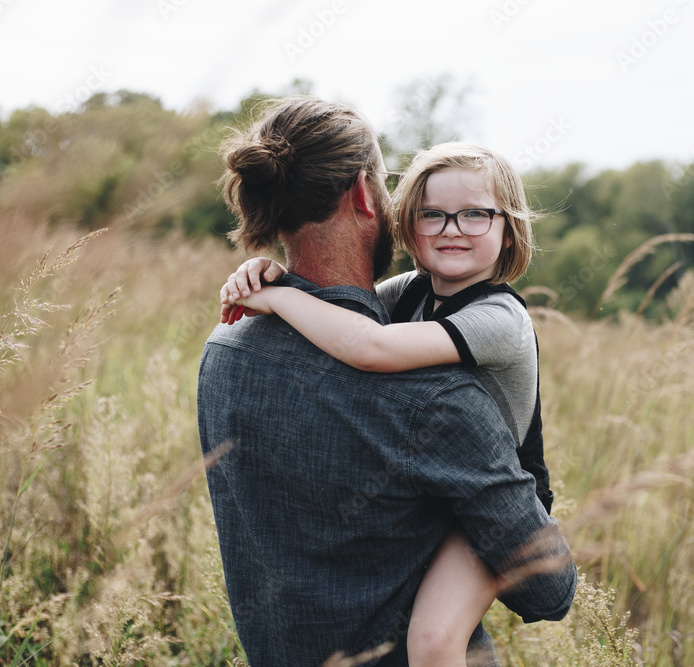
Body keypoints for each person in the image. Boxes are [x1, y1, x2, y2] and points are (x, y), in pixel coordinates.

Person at [197, 96, 576, 667]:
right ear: (363, 194)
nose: (451, 230)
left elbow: (362, 335)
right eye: (431, 213)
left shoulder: (223, 354)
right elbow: (549, 589)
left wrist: (275, 291)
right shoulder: (440, 403)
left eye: (475, 215)